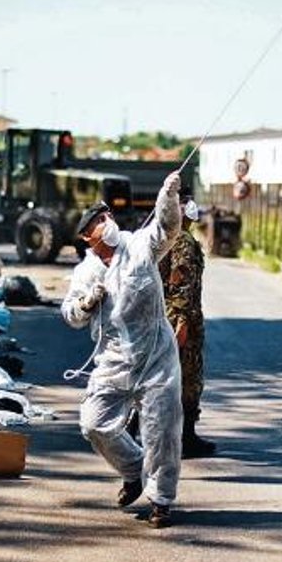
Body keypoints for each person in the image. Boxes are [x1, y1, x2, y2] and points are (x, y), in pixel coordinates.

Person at [61, 172, 183, 529]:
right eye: (99, 222)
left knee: (162, 430)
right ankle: (133, 470)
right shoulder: (85, 272)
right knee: (93, 423)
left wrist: (167, 196)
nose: (108, 222)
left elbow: (167, 229)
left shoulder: (140, 246)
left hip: (156, 358)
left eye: (108, 216)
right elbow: (70, 316)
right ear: (87, 236)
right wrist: (85, 303)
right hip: (113, 363)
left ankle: (161, 500)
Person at [159, 198, 216, 458]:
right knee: (187, 379)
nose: (189, 207)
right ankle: (185, 438)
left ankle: (175, 436)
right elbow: (181, 282)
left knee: (169, 377)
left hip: (170, 316)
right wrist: (182, 321)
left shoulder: (167, 236)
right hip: (181, 319)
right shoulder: (182, 240)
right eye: (183, 203)